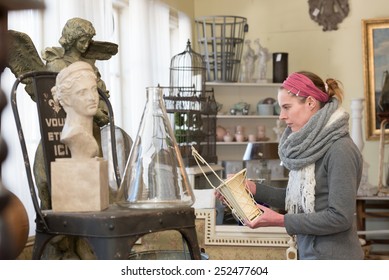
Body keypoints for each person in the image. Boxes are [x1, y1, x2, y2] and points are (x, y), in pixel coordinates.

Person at [218, 71, 364, 260]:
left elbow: (340, 217)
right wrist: (252, 188)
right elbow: (296, 198)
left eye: (287, 107)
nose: (281, 116)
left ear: (310, 103)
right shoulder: (310, 147)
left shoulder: (340, 149)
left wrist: (280, 220)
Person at [52, 61, 100, 159]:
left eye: (94, 89)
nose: (92, 97)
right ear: (67, 99)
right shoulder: (74, 134)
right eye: (82, 92)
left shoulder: (87, 135)